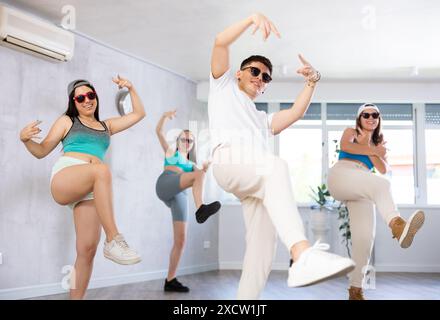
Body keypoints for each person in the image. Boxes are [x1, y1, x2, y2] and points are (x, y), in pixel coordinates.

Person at [208, 12, 355, 299]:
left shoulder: (263, 120)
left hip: (254, 179)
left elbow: (297, 112)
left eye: (265, 77)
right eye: (254, 71)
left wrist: (313, 81)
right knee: (276, 166)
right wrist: (251, 19)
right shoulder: (223, 87)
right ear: (238, 73)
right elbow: (220, 42)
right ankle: (302, 254)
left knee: (263, 247)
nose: (260, 78)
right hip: (228, 162)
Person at [19, 76, 145, 299]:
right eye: (80, 97)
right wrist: (26, 140)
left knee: (87, 251)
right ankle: (114, 239)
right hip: (67, 176)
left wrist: (131, 88)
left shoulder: (106, 126)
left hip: (90, 189)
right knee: (102, 170)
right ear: (73, 102)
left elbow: (138, 114)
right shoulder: (67, 121)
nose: (87, 100)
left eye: (91, 95)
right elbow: (41, 151)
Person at [327, 103, 425, 300]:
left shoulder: (378, 144)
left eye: (375, 115)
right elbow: (346, 146)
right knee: (383, 185)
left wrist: (373, 149)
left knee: (364, 239)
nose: (371, 118)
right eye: (366, 114)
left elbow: (383, 168)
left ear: (379, 119)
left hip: (362, 184)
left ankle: (356, 290)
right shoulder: (351, 132)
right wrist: (372, 150)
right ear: (359, 118)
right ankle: (397, 225)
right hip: (342, 175)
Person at [155, 109, 221, 292]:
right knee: (198, 174)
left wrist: (207, 165)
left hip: (180, 194)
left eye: (190, 140)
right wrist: (164, 116)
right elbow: (159, 132)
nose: (186, 142)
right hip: (166, 183)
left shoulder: (191, 164)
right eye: (183, 139)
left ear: (193, 145)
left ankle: (170, 280)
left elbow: (199, 178)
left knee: (181, 240)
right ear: (177, 141)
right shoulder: (171, 152)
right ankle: (201, 208)